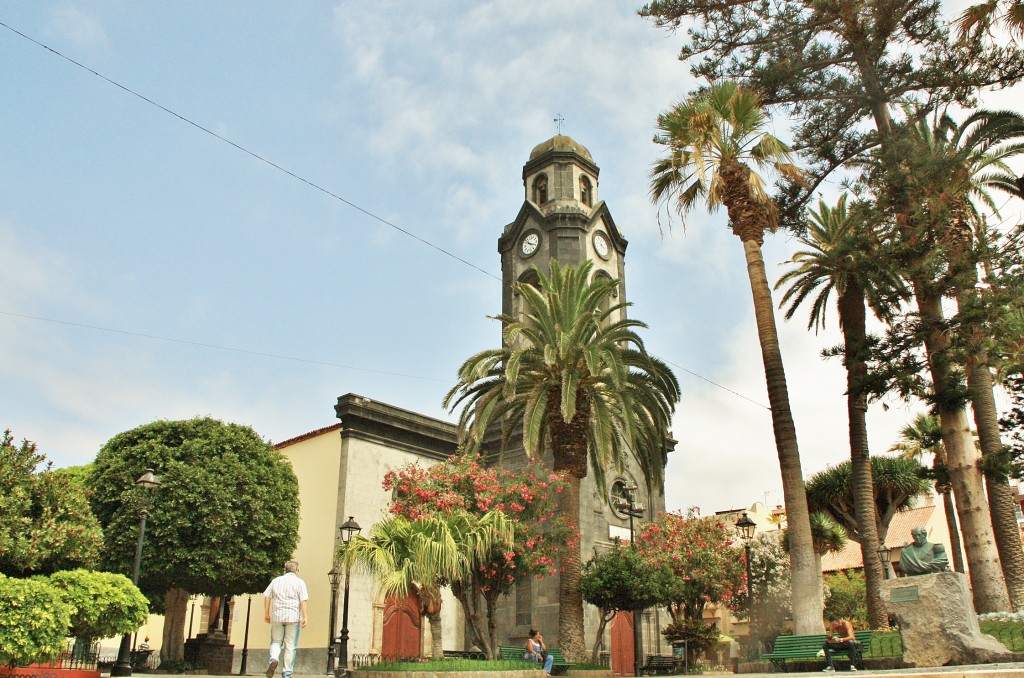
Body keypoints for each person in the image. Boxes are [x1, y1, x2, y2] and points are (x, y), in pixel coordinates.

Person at [264, 560, 308, 678]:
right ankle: (287, 673)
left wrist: (266, 613)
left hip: (277, 616)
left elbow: (267, 596)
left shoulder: (276, 581)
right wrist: (305, 616)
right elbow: (303, 600)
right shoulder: (300, 583)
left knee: (275, 642)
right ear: (296, 570)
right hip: (293, 617)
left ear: (285, 569)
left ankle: (274, 659)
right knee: (290, 646)